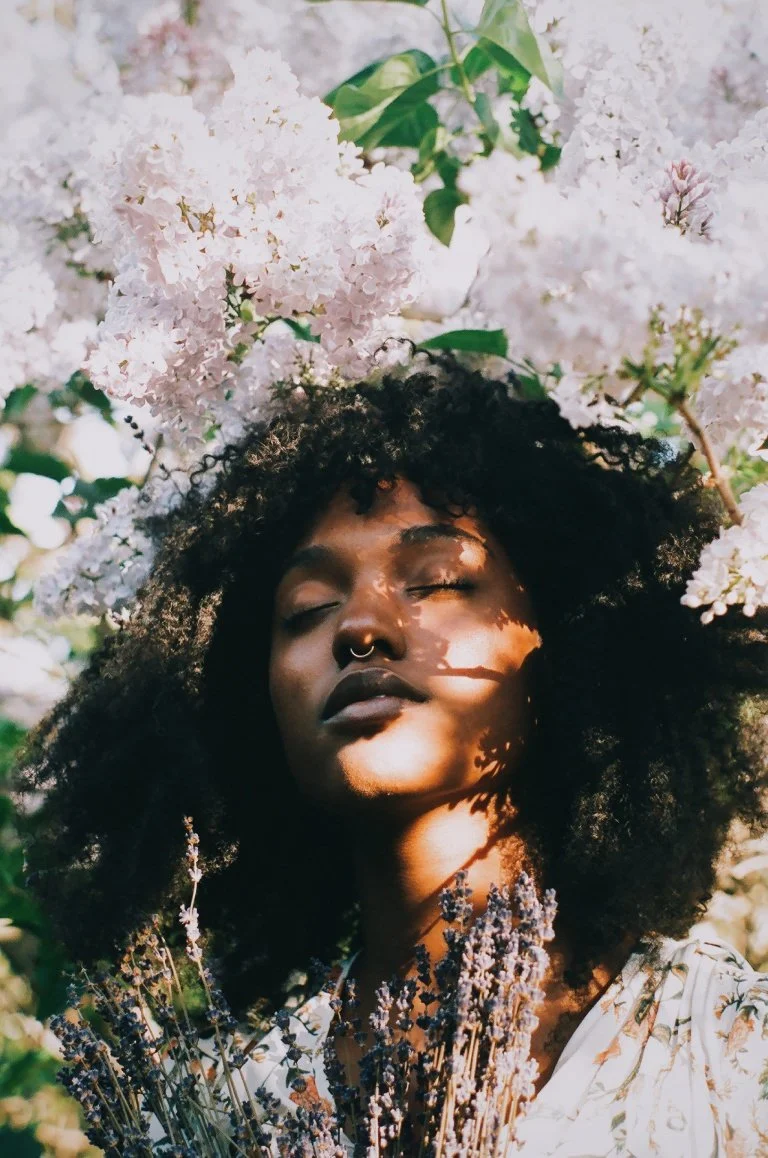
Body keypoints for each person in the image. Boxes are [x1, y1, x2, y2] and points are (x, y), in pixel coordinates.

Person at [17, 357, 768, 1155]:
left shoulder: (734, 1056)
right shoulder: (217, 1117)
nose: (358, 627)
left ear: (571, 642)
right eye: (307, 608)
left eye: (436, 581)